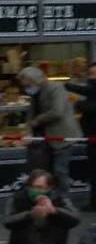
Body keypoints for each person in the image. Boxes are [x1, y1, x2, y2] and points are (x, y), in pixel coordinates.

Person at [4, 169, 80, 244]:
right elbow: (7, 221)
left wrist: (55, 211)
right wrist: (30, 215)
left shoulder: (59, 197)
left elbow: (76, 218)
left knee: (60, 220)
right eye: (33, 187)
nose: (36, 190)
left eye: (40, 188)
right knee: (23, 223)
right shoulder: (17, 198)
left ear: (49, 188)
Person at [19, 66, 82, 194]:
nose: (26, 88)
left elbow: (57, 111)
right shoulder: (35, 92)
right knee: (45, 172)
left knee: (60, 170)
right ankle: (48, 198)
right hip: (46, 139)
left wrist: (37, 120)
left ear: (35, 80)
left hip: (62, 135)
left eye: (28, 84)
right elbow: (31, 112)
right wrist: (28, 131)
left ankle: (63, 200)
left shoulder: (55, 88)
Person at [66, 62, 96, 211]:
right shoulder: (92, 88)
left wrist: (77, 104)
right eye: (90, 74)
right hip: (90, 137)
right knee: (92, 170)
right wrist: (68, 85)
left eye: (94, 74)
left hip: (94, 137)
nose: (92, 77)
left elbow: (92, 105)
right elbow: (86, 90)